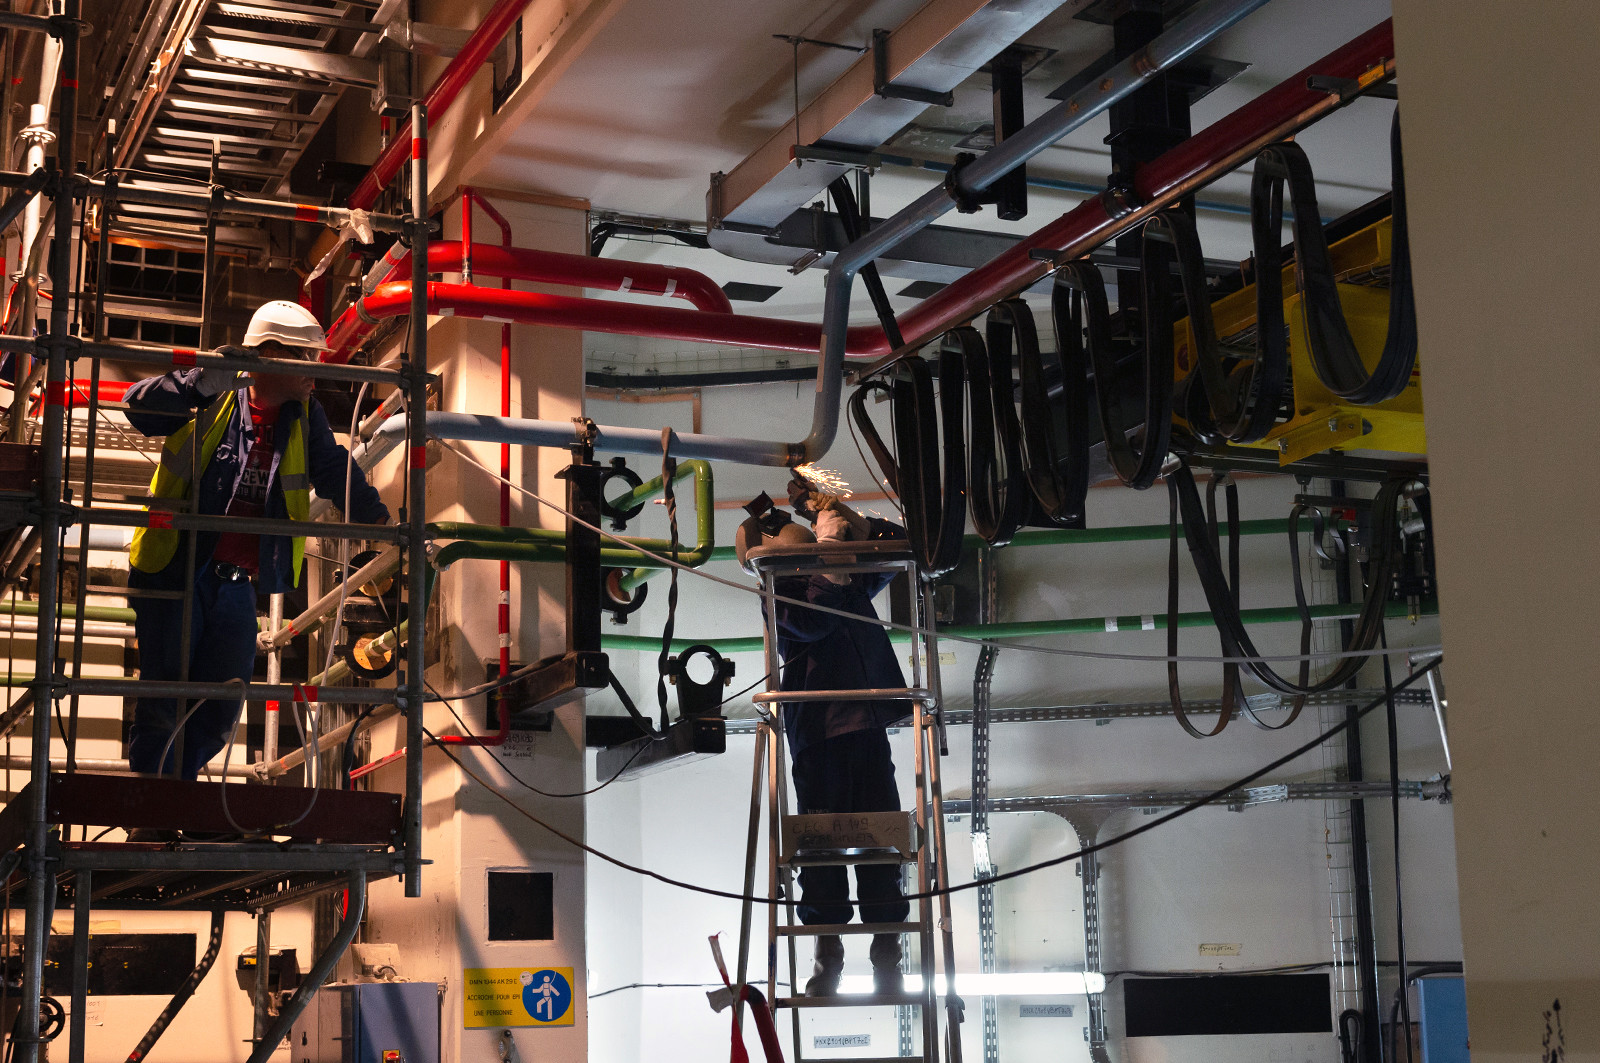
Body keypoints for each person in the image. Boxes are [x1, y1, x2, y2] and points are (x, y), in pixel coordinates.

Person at [123, 299, 389, 781]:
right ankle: (154, 804)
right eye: (305, 359)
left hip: (236, 584)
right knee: (164, 701)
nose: (314, 371)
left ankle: (170, 793)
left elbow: (332, 470)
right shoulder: (211, 395)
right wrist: (199, 383)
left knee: (222, 705)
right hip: (175, 569)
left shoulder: (303, 416)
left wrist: (379, 521)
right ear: (268, 354)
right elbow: (138, 407)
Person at [737, 483, 911, 997]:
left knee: (882, 839)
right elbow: (810, 624)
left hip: (864, 726)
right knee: (821, 847)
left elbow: (896, 545)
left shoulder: (844, 579)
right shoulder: (783, 593)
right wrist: (831, 555)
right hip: (820, 735)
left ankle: (887, 955)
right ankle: (827, 954)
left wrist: (841, 515)